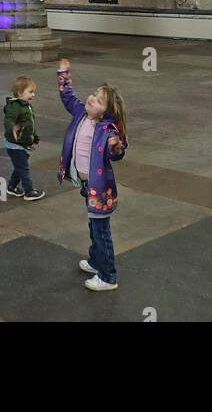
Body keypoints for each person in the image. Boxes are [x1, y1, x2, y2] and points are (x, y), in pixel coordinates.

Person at [56, 55, 127, 292]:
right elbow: (68, 97)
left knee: (101, 231)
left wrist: (116, 146)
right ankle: (96, 262)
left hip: (100, 189)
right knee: (93, 226)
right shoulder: (81, 114)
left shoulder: (106, 129)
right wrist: (64, 75)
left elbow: (117, 151)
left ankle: (108, 276)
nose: (91, 99)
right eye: (93, 95)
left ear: (107, 112)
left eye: (98, 101)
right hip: (88, 186)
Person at [3, 76, 45, 201]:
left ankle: (12, 187)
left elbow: (29, 124)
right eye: (30, 92)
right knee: (23, 168)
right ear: (20, 93)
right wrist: (12, 128)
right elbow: (8, 120)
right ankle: (29, 191)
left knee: (19, 166)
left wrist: (34, 138)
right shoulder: (15, 106)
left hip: (22, 143)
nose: (33, 94)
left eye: (33, 91)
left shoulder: (26, 105)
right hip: (15, 144)